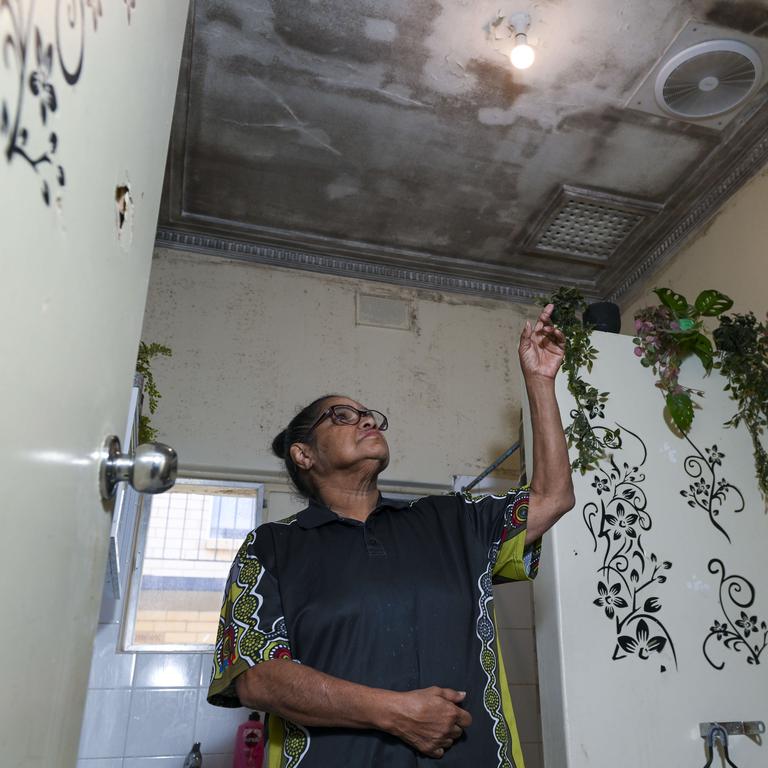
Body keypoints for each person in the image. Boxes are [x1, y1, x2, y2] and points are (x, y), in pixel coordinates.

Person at [208, 304, 574, 767]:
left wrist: (540, 382)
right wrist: (394, 712)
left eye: (371, 415)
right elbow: (256, 679)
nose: (367, 421)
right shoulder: (271, 548)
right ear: (303, 454)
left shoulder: (450, 519)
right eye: (341, 415)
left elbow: (552, 497)